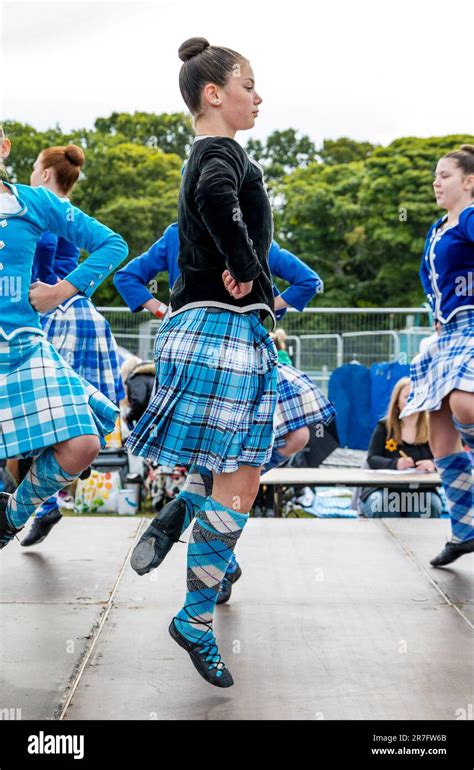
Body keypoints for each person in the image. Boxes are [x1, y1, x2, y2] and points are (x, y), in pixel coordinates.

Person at [120, 37, 279, 687]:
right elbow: (218, 200)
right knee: (239, 477)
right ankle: (194, 614)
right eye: (249, 85)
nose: (258, 96)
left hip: (222, 330)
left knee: (244, 470)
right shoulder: (221, 153)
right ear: (214, 94)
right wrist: (246, 270)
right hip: (220, 329)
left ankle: (193, 568)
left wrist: (255, 279)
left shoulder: (215, 153)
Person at [115, 223, 335, 597]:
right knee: (258, 452)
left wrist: (162, 310)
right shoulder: (235, 236)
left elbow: (127, 276)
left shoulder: (194, 233)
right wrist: (269, 306)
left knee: (234, 458)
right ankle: (204, 534)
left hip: (197, 356)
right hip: (236, 356)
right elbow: (309, 282)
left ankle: (199, 520)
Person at [0, 126, 128, 550]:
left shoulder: (33, 200)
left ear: (4, 148)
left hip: (24, 345)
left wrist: (58, 291)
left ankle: (11, 518)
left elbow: (112, 245)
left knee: (84, 444)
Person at [400, 144, 474, 566]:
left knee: (466, 405)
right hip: (448, 333)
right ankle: (465, 529)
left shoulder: (470, 218)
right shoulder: (437, 228)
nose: (436, 182)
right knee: (440, 432)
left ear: (469, 181)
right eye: (435, 176)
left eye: (445, 175)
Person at [359, 377, 442, 518]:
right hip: (383, 489)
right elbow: (372, 459)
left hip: (421, 489)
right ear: (396, 402)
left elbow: (444, 458)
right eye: (406, 397)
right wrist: (395, 463)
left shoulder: (432, 428)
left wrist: (432, 464)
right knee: (383, 505)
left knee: (428, 507)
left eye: (415, 396)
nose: (411, 400)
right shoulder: (384, 426)